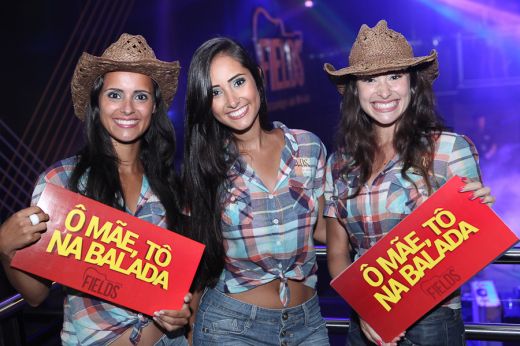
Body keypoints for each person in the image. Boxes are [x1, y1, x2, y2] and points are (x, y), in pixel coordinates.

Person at [0, 33, 191, 345]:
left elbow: (185, 282)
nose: (127, 109)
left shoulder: (173, 184)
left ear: (154, 107)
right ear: (97, 102)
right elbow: (36, 296)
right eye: (115, 95)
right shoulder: (61, 182)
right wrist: (6, 250)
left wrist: (183, 312)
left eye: (140, 97)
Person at [323, 20, 495, 346]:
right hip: (364, 324)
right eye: (370, 79)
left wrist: (478, 219)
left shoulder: (449, 149)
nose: (384, 90)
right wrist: (366, 308)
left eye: (395, 76)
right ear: (355, 91)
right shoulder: (340, 164)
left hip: (433, 322)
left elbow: (469, 251)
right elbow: (336, 254)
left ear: (412, 85)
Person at [183, 37, 329, 345]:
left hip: (308, 325)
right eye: (215, 92)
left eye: (238, 82)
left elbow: (327, 230)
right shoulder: (208, 166)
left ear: (258, 78)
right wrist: (190, 321)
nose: (232, 100)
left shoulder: (308, 146)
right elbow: (197, 249)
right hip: (231, 327)